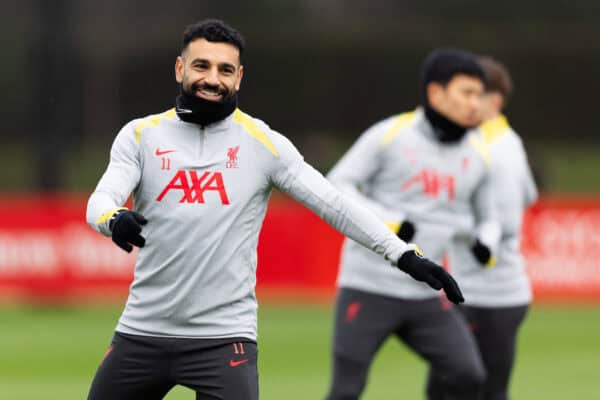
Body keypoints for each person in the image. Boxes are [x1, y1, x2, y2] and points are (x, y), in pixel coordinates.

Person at [85, 19, 463, 400]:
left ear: (239, 77)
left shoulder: (263, 144)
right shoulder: (140, 134)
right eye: (201, 66)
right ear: (180, 68)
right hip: (142, 333)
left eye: (225, 70)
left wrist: (401, 253)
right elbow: (100, 201)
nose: (212, 79)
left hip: (223, 341)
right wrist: (113, 219)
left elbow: (334, 203)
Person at [325, 48, 501, 400]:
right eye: (466, 93)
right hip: (367, 285)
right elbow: (336, 184)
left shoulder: (479, 153)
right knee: (345, 391)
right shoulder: (389, 135)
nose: (475, 104)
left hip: (426, 293)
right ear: (436, 93)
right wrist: (389, 221)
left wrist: (487, 242)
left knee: (468, 376)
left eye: (480, 95)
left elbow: (489, 218)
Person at [445, 55, 538, 400]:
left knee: (468, 391)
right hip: (490, 293)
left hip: (487, 295)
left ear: (494, 101)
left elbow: (507, 222)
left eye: (473, 93)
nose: (464, 101)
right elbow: (530, 194)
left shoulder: (494, 151)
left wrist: (447, 221)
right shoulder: (506, 142)